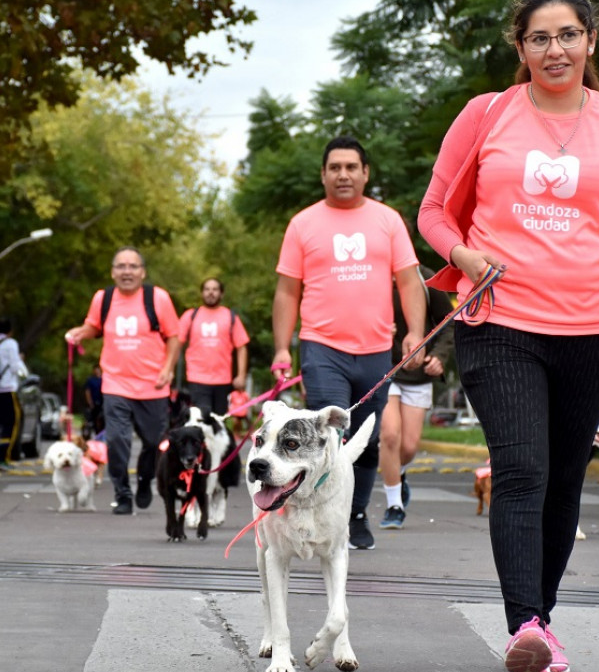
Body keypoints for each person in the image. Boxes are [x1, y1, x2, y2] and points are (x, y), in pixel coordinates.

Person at [416, 0, 599, 672]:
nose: (555, 49)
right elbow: (435, 211)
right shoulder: (486, 115)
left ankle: (541, 624)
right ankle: (527, 623)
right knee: (523, 469)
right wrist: (464, 256)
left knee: (564, 480)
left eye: (568, 34)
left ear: (591, 40)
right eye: (539, 37)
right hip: (499, 321)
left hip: (597, 330)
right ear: (520, 47)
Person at [272, 135, 427, 551]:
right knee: (329, 437)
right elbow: (287, 290)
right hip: (322, 348)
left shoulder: (388, 220)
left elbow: (409, 281)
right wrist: (282, 347)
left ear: (365, 173)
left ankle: (355, 514)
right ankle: (315, 515)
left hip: (376, 351)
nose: (343, 174)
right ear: (323, 174)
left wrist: (414, 331)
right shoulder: (303, 223)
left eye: (351, 167)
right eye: (335, 167)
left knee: (369, 439)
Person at [64, 247, 181, 515]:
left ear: (142, 271)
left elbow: (174, 336)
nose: (126, 271)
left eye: (132, 266)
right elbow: (95, 326)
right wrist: (81, 332)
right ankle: (122, 492)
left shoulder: (158, 298)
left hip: (153, 384)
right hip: (115, 382)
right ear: (112, 271)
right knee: (117, 439)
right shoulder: (102, 298)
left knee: (153, 442)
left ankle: (144, 479)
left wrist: (168, 368)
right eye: (120, 266)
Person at [377, 266, 454, 530]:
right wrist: (375, 331)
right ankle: (394, 505)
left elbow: (448, 321)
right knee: (389, 435)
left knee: (408, 447)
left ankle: (396, 474)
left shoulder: (425, 278)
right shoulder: (371, 276)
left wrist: (440, 357)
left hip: (418, 374)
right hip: (382, 370)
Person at [178, 277, 250, 416]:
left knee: (218, 421)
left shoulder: (230, 316)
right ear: (202, 293)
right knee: (202, 418)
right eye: (207, 289)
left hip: (222, 380)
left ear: (221, 294)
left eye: (215, 289)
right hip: (197, 378)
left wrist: (241, 375)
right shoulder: (191, 316)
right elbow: (176, 342)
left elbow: (241, 347)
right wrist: (167, 370)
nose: (211, 293)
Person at [0, 318, 27, 472]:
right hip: (7, 390)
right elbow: (15, 367)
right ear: (10, 331)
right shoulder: (10, 344)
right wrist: (21, 364)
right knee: (11, 423)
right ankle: (1, 458)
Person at [83, 364, 104, 436]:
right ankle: (88, 433)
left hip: (102, 403)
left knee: (101, 419)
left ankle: (100, 433)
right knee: (91, 419)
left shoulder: (103, 379)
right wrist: (90, 402)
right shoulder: (91, 380)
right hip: (93, 403)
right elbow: (87, 391)